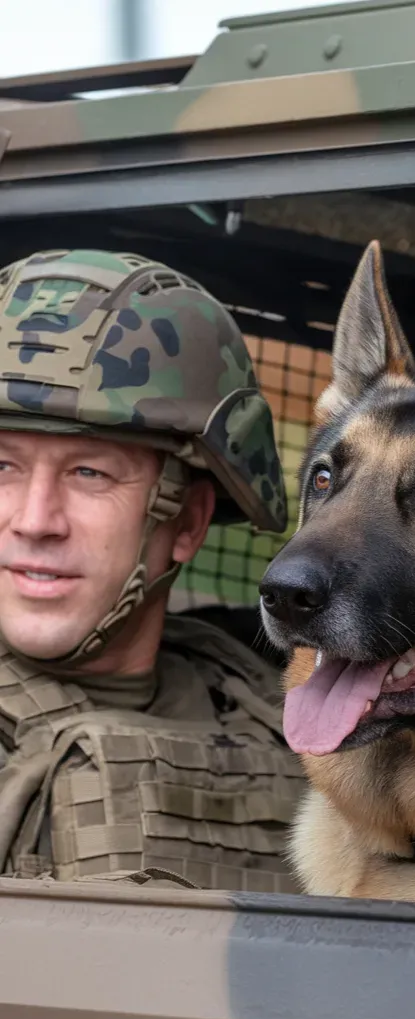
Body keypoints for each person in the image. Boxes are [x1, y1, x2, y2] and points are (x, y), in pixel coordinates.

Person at [0, 248, 303, 892]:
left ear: (188, 522)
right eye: (2, 467)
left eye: (90, 473)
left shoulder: (287, 716)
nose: (34, 519)